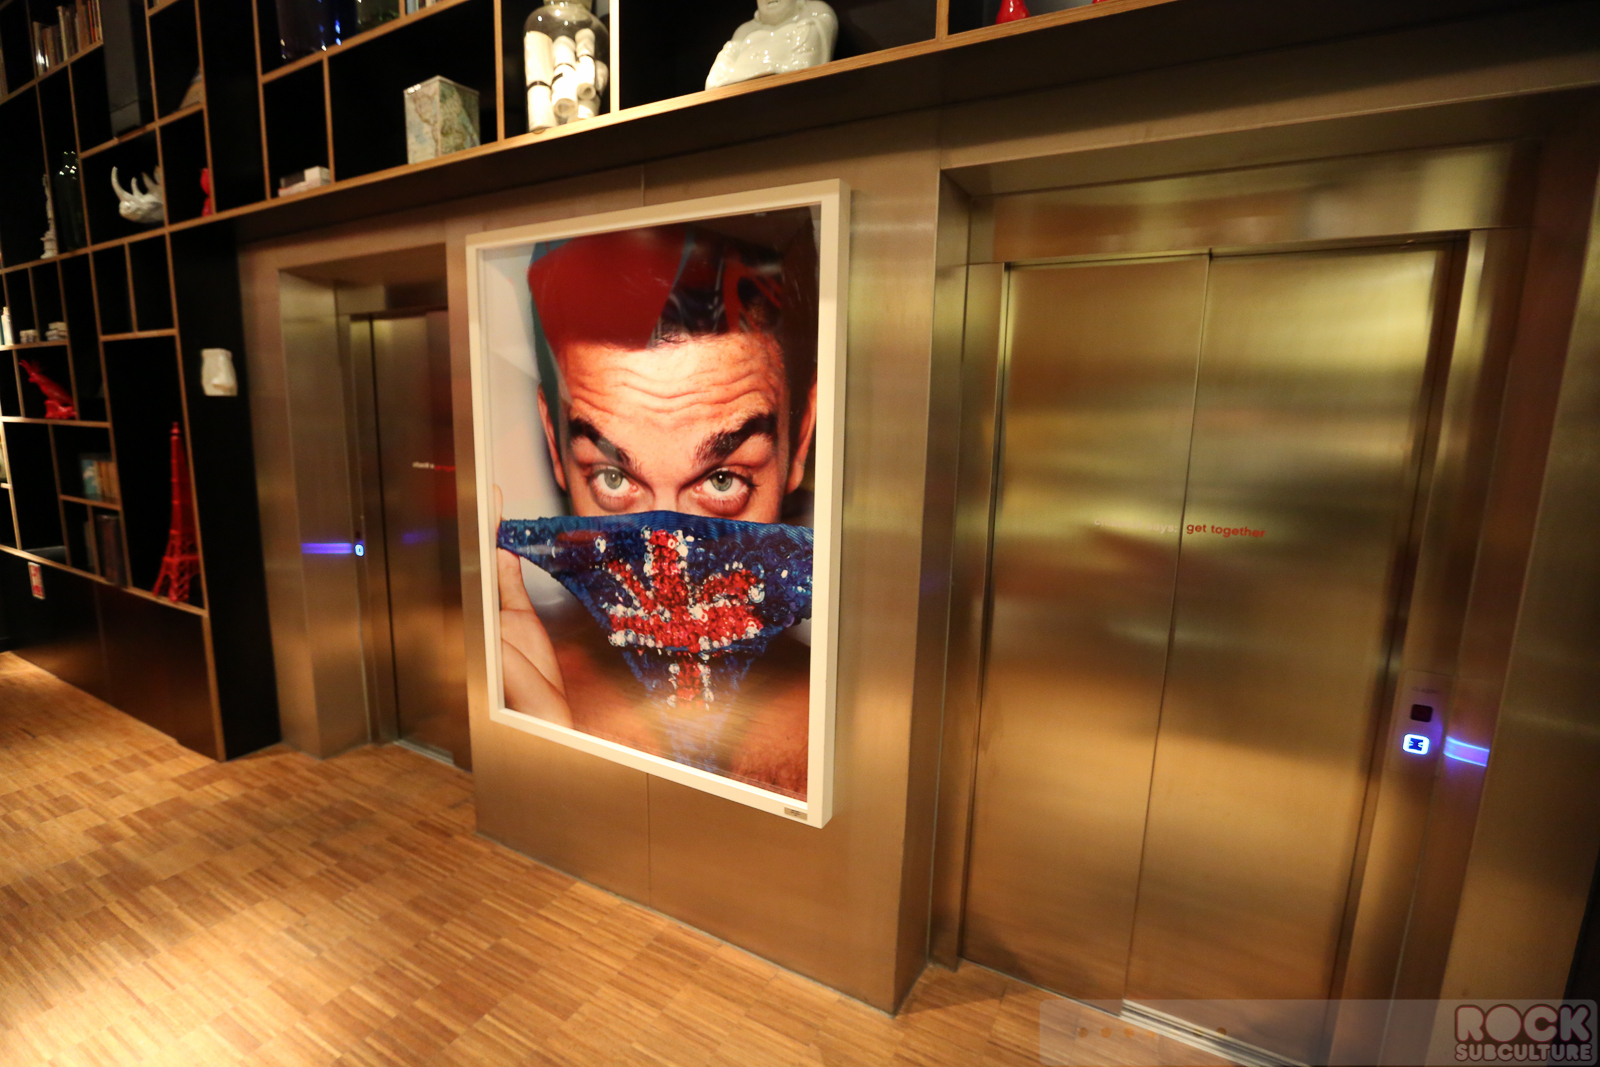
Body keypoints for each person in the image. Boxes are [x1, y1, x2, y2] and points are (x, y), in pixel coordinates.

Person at [496, 220, 819, 796]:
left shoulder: (868, 716)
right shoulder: (517, 682)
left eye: (722, 480)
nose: (669, 575)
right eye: (614, 478)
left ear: (802, 439)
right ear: (554, 442)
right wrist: (544, 751)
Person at [706, 0, 838, 90]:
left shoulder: (814, 14)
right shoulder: (744, 32)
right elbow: (714, 82)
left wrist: (772, 70)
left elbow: (806, 67)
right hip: (737, 99)